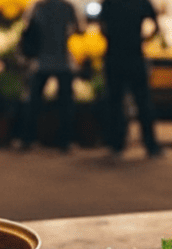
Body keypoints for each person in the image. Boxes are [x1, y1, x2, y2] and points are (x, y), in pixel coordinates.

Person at [98, 0, 163, 157]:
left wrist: (112, 37)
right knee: (143, 101)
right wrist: (143, 39)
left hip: (114, 56)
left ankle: (117, 144)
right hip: (135, 56)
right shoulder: (141, 2)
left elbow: (101, 27)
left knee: (115, 102)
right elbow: (156, 26)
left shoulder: (109, 3)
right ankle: (150, 145)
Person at [18, 0, 84, 152]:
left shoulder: (38, 6)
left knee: (33, 102)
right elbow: (80, 29)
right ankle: (65, 142)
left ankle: (27, 139)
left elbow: (27, 27)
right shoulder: (68, 7)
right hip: (63, 60)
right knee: (66, 103)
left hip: (41, 61)